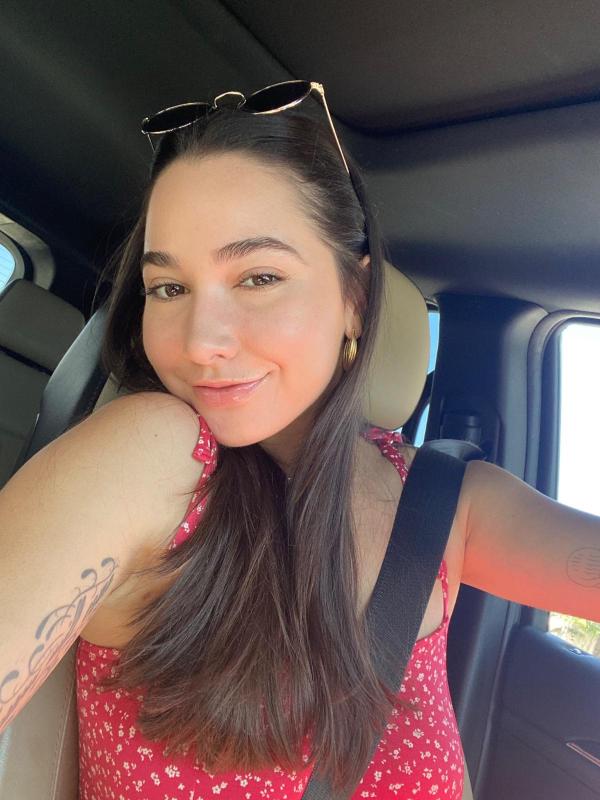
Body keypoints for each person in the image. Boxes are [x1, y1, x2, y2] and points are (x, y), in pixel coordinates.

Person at [1, 81, 598, 800]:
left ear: (355, 300)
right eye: (169, 289)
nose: (200, 341)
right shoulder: (150, 454)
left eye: (258, 277)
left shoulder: (438, 499)